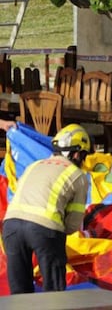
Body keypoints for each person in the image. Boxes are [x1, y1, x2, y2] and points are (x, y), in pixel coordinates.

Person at [2, 123, 90, 294]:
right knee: (53, 293)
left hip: (10, 227)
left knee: (20, 294)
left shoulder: (34, 165)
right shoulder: (78, 175)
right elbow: (72, 225)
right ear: (78, 153)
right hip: (45, 228)